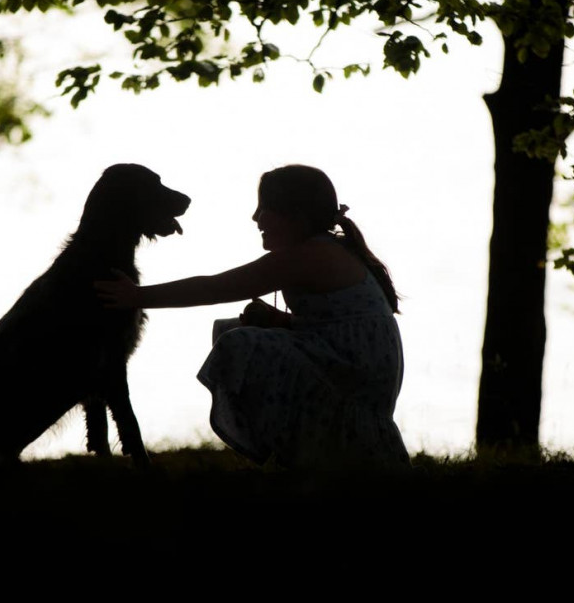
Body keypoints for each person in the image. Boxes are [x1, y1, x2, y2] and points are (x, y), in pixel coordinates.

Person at [94, 164, 410, 471]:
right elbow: (339, 326)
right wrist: (285, 322)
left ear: (296, 216)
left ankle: (302, 454)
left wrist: (138, 296)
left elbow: (215, 287)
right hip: (353, 368)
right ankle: (305, 451)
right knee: (231, 328)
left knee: (240, 343)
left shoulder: (307, 255)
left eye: (265, 208)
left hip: (354, 380)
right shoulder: (321, 250)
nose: (256, 217)